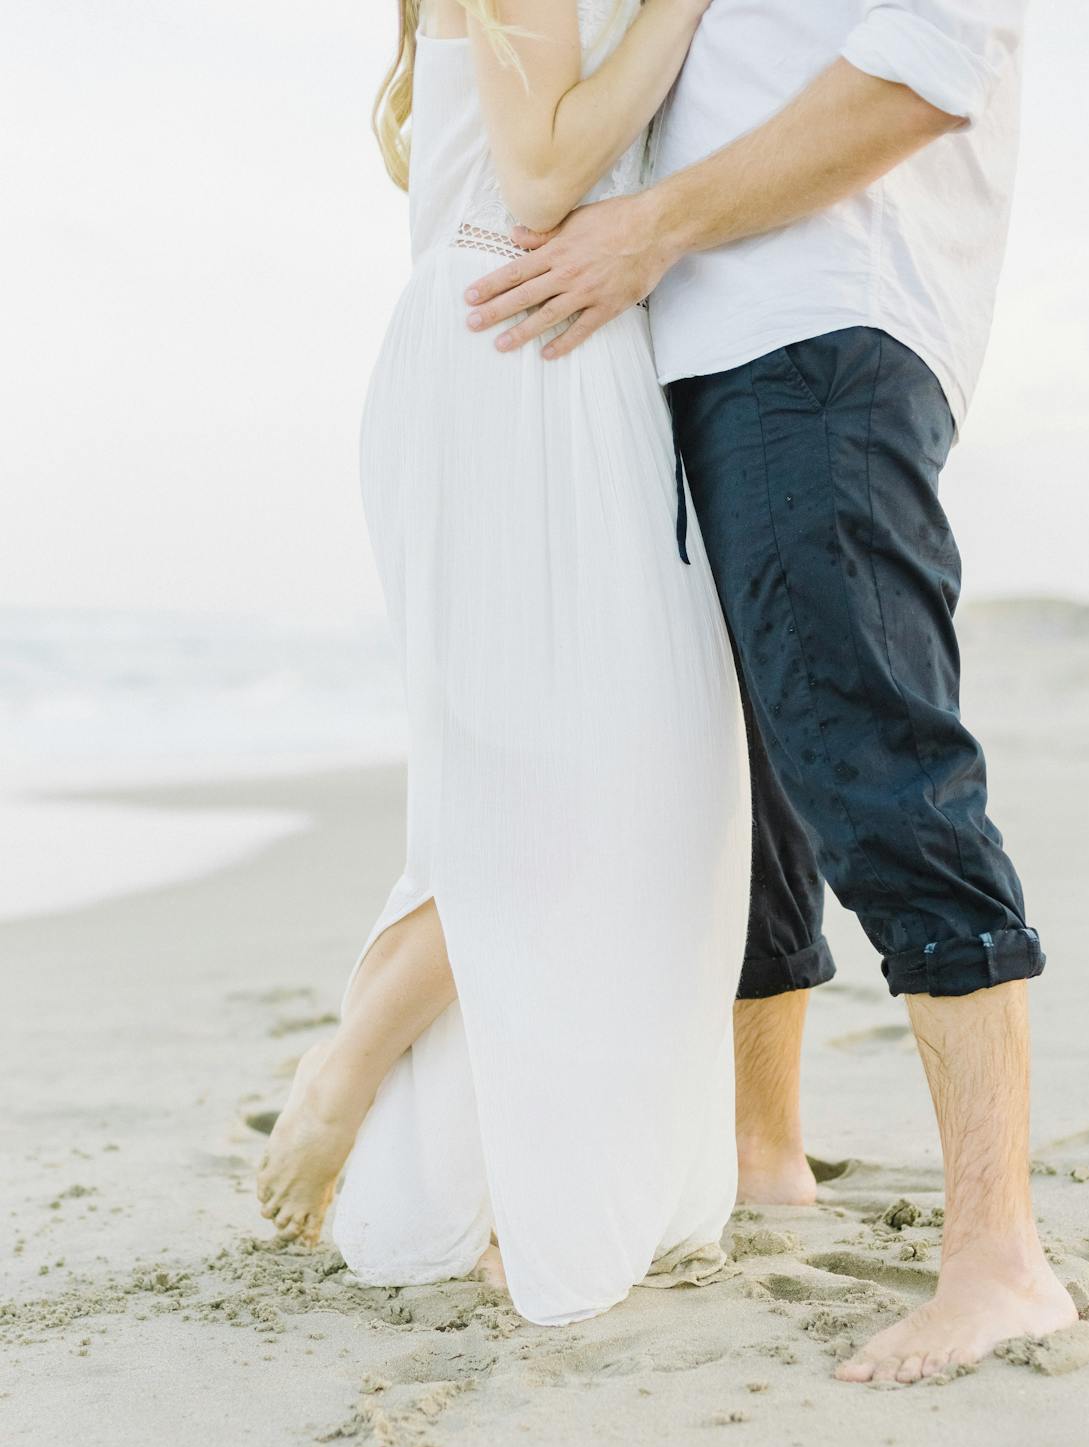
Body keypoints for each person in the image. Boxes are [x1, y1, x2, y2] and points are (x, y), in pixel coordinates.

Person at [460, 0, 1077, 1380]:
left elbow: (928, 68)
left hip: (822, 331)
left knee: (877, 762)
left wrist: (653, 226)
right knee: (747, 777)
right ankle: (764, 1149)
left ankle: (1000, 1253)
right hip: (698, 346)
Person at [257, 0, 754, 1328]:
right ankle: (347, 1072)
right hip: (516, 352)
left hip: (546, 339)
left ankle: (498, 1169)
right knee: (575, 790)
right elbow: (536, 177)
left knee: (614, 780)